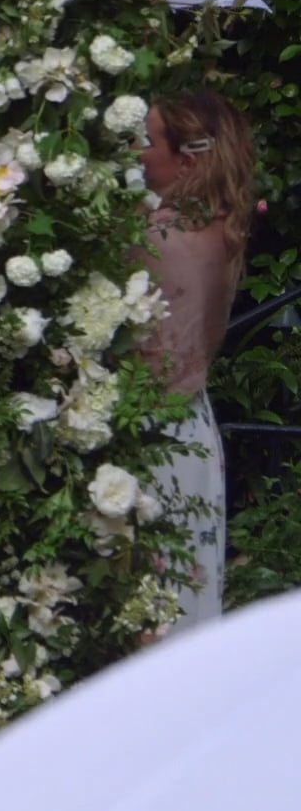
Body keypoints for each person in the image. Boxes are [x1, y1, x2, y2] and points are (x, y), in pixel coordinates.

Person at [133, 91, 255, 625]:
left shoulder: (156, 239)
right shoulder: (221, 227)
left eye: (147, 139)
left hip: (146, 434)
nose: (137, 152)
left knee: (145, 607)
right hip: (192, 431)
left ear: (187, 158)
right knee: (185, 596)